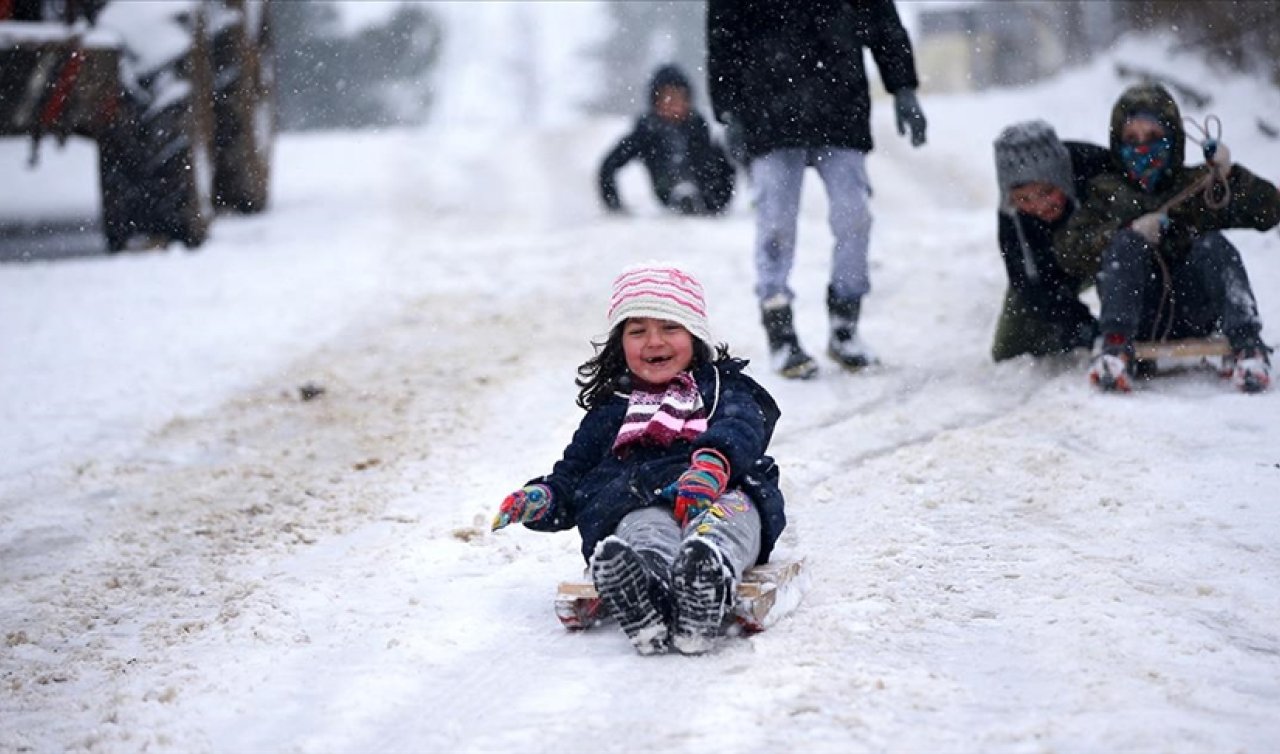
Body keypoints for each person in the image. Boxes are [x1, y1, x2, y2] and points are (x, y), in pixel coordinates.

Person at [491, 264, 786, 655]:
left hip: (719, 492)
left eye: (669, 328)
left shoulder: (720, 388)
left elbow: (742, 425)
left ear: (695, 335)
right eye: (637, 331)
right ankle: (644, 591)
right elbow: (574, 475)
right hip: (641, 501)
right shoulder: (610, 410)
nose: (653, 341)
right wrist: (543, 497)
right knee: (643, 530)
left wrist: (713, 464)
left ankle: (706, 580)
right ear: (620, 343)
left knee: (724, 524)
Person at [706, 0, 928, 378]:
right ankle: (780, 330)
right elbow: (724, 39)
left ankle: (845, 323)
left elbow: (883, 23)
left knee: (854, 217)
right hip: (768, 113)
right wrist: (728, 111)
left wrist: (903, 87)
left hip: (840, 107)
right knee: (775, 224)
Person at [1056, 83, 1279, 393]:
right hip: (1136, 313)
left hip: (1193, 308)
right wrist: (1126, 232)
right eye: (1131, 139)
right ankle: (1116, 349)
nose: (1142, 148)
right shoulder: (1105, 192)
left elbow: (1269, 210)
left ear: (1173, 140)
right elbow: (1069, 251)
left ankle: (1247, 345)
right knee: (1125, 245)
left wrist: (1231, 176)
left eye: (1153, 138)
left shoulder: (1196, 185)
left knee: (1213, 245)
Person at [990, 120, 1112, 362]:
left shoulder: (1098, 170)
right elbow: (1027, 281)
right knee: (1009, 350)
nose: (1040, 206)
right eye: (1024, 199)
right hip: (1053, 267)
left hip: (1105, 253)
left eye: (1047, 192)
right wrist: (1078, 325)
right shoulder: (1011, 217)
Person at [598, 65, 735, 216]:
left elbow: (724, 167)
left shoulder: (698, 127)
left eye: (678, 97)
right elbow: (609, 165)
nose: (673, 104)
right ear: (655, 102)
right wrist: (614, 205)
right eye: (666, 98)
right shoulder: (646, 132)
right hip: (666, 188)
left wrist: (719, 201)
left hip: (707, 195)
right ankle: (682, 194)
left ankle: (693, 196)